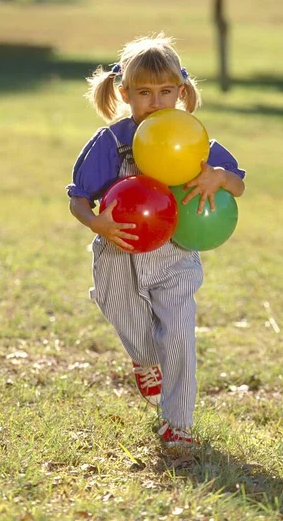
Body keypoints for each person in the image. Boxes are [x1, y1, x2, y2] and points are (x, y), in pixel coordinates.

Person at [67, 33, 245, 448]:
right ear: (125, 92)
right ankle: (145, 360)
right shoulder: (111, 142)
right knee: (121, 312)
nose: (155, 101)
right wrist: (97, 225)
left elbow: (237, 185)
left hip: (176, 254)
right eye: (144, 92)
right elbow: (77, 199)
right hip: (119, 250)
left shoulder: (195, 140)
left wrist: (218, 177)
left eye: (166, 91)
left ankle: (177, 426)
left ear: (180, 92)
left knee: (180, 334)